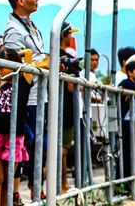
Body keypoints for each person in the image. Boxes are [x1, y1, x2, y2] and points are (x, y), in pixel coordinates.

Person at [3, 0, 48, 199]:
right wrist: (45, 64)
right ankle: (18, 193)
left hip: (41, 96)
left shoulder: (32, 26)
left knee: (42, 146)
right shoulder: (13, 30)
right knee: (26, 146)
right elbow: (12, 66)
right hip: (27, 99)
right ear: (21, 0)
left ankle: (35, 190)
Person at [0, 49, 30, 206]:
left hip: (14, 134)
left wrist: (8, 54)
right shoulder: (2, 86)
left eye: (2, 67)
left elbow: (28, 53)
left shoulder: (24, 80)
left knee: (8, 180)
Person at [59, 22, 80, 193]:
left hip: (51, 105)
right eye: (69, 34)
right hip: (66, 107)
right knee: (63, 149)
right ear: (63, 36)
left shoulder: (50, 57)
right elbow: (72, 87)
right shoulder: (67, 59)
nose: (71, 38)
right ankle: (63, 184)